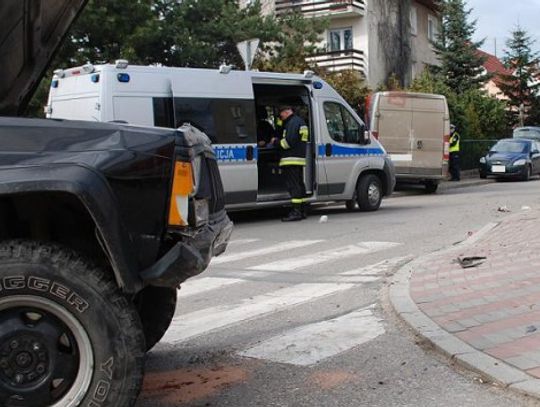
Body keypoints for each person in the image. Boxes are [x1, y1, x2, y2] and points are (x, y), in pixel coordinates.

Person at [271, 105, 309, 222]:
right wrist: (278, 122)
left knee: (293, 186)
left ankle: (296, 212)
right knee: (299, 185)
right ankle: (302, 210)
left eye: (281, 114)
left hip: (291, 159)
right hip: (298, 158)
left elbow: (288, 142)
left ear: (287, 112)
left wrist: (275, 142)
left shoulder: (292, 123)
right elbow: (281, 129)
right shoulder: (298, 121)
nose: (280, 116)